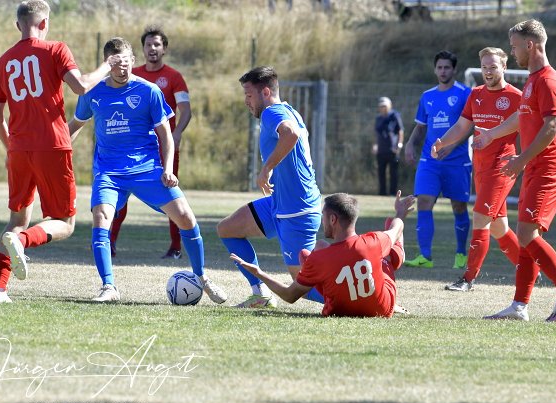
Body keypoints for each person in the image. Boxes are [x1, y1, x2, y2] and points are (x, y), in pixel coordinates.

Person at [67, 37, 227, 304]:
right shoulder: (93, 93)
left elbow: (166, 135)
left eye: (126, 63)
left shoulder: (149, 90)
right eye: (116, 65)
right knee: (101, 218)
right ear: (107, 64)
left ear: (133, 60)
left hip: (147, 169)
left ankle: (202, 278)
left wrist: (168, 169)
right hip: (109, 172)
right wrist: (55, 153)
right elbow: (74, 126)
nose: (123, 70)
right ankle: (109, 287)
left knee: (186, 217)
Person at [0, 0, 122, 303]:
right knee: (64, 222)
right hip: (52, 145)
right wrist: (108, 65)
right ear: (45, 23)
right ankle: (23, 241)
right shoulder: (56, 49)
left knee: (16, 220)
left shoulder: (4, 60)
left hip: (19, 149)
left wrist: (11, 146)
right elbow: (82, 86)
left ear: (18, 25)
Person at [474, 19, 556, 321]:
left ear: (530, 45)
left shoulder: (548, 81)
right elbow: (520, 119)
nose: (513, 51)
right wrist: (492, 134)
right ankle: (519, 306)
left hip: (550, 168)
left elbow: (552, 126)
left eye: (514, 46)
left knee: (525, 232)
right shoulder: (533, 80)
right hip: (535, 167)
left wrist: (521, 159)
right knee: (525, 235)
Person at [217, 66, 322, 308]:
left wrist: (267, 168)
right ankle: (260, 294)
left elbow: (290, 134)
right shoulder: (287, 110)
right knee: (227, 229)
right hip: (279, 204)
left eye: (249, 95)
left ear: (265, 92)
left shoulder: (271, 112)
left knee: (302, 288)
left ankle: (364, 302)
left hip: (297, 211)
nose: (246, 101)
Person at [230, 192, 415, 317]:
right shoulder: (373, 241)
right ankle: (395, 254)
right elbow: (396, 228)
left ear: (333, 219)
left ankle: (396, 256)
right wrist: (400, 213)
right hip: (382, 309)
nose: (322, 221)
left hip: (339, 311)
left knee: (312, 256)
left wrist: (258, 272)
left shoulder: (320, 259)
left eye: (323, 216)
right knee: (385, 254)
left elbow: (289, 295)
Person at [430, 47, 522, 292]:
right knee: (499, 227)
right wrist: (442, 142)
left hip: (502, 167)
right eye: (484, 67)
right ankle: (528, 267)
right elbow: (462, 126)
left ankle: (468, 279)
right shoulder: (476, 94)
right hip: (480, 167)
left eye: (493, 67)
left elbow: (530, 128)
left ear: (504, 67)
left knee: (480, 217)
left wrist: (523, 158)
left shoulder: (516, 97)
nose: (488, 72)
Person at [109, 26, 192, 260]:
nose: (152, 48)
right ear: (142, 49)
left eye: (157, 44)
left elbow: (185, 110)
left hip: (164, 147)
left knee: (171, 193)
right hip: (133, 148)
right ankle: (110, 242)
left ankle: (176, 247)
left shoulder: (174, 77)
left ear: (164, 49)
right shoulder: (130, 74)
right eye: (148, 44)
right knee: (120, 194)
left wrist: (176, 134)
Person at [404, 50, 472, 270]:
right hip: (430, 159)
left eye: (447, 67)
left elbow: (471, 126)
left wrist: (451, 145)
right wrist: (409, 144)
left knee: (458, 206)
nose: (443, 71)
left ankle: (461, 254)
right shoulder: (427, 96)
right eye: (440, 67)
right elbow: (421, 126)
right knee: (424, 201)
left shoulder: (465, 93)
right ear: (435, 70)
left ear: (454, 70)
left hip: (457, 160)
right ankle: (425, 256)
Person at [373, 96, 404, 196]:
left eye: (385, 106)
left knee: (393, 173)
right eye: (381, 106)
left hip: (392, 150)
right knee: (381, 173)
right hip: (381, 150)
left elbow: (400, 131)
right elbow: (376, 133)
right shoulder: (378, 118)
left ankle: (392, 193)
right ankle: (382, 193)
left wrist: (399, 145)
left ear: (390, 106)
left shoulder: (395, 116)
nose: (383, 108)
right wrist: (375, 145)